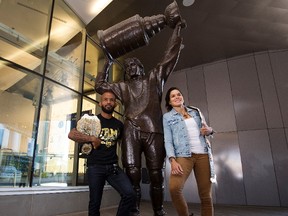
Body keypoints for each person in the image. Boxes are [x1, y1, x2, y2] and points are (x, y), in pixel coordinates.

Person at [95, 21, 184, 216]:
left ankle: (158, 210)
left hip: (154, 131)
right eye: (128, 66)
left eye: (136, 65)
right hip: (131, 131)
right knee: (131, 174)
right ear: (126, 72)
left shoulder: (154, 78)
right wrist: (108, 61)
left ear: (142, 68)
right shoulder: (123, 87)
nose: (132, 67)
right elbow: (100, 86)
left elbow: (170, 56)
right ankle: (133, 210)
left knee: (156, 174)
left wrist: (176, 29)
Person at [68, 90, 136, 216]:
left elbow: (125, 144)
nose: (108, 102)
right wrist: (92, 139)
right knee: (95, 203)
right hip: (95, 166)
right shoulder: (92, 121)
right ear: (100, 103)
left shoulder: (119, 124)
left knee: (130, 194)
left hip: (113, 167)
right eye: (105, 99)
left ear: (115, 104)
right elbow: (71, 134)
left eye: (111, 100)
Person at [163, 87, 216, 216]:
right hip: (183, 156)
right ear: (169, 102)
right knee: (174, 188)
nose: (177, 97)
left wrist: (210, 131)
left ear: (183, 97)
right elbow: (168, 140)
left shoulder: (196, 111)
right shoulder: (167, 117)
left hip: (203, 154)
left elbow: (207, 129)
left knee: (206, 196)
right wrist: (172, 160)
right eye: (173, 96)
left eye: (178, 94)